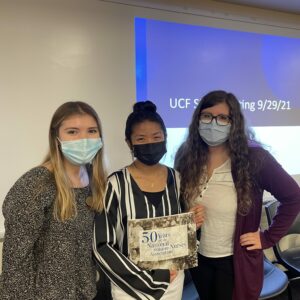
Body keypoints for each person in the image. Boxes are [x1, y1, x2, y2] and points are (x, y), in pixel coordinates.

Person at [174, 90, 300, 300]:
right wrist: (186, 215)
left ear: (234, 123)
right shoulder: (186, 156)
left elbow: (294, 197)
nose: (213, 123)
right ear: (198, 119)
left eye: (223, 118)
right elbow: (177, 201)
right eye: (207, 116)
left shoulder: (254, 158)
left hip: (235, 261)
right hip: (198, 258)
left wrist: (268, 237)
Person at [93, 101, 203, 300]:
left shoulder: (177, 179)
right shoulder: (115, 185)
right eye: (141, 138)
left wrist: (193, 225)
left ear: (165, 137)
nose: (150, 143)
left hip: (173, 280)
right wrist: (148, 279)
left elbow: (183, 235)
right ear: (129, 142)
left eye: (156, 137)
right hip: (130, 288)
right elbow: (102, 246)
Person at [0, 101, 107, 299]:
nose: (84, 139)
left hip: (84, 292)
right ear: (56, 137)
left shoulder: (94, 180)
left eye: (92, 131)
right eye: (73, 132)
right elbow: (16, 260)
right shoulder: (36, 184)